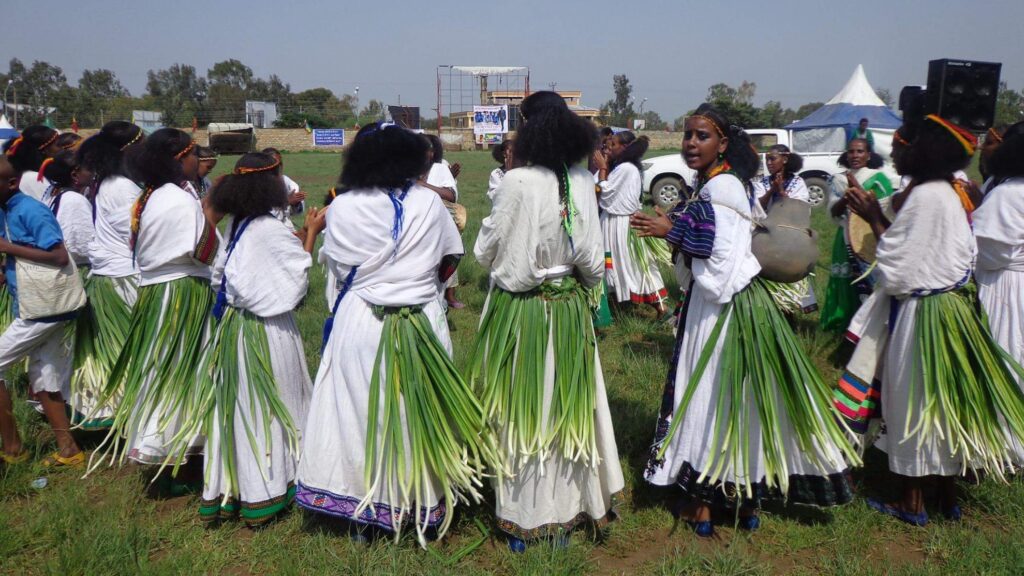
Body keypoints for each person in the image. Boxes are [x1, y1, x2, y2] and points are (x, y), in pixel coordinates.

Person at [631, 105, 857, 537]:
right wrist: (675, 224)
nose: (691, 143)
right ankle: (742, 499)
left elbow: (721, 256)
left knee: (712, 396)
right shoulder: (717, 184)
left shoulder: (724, 187)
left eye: (701, 136)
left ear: (722, 144)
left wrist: (670, 232)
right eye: (687, 135)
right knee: (736, 398)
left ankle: (703, 505)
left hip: (721, 309)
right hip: (721, 303)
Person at [296, 122, 497, 547]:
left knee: (359, 413)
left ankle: (363, 514)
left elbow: (337, 268)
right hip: (422, 318)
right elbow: (450, 258)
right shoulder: (428, 202)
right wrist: (417, 283)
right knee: (415, 412)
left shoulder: (343, 206)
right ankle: (420, 505)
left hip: (361, 324)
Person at [845, 115, 1024, 526]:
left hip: (923, 312)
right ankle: (947, 497)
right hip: (952, 311)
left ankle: (912, 503)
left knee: (913, 399)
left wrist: (872, 216)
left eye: (904, 147)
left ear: (924, 151)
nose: (896, 154)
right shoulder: (950, 192)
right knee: (946, 402)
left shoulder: (927, 195)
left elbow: (899, 267)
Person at [473, 91, 624, 551]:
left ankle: (523, 518)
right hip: (569, 312)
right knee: (567, 407)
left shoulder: (516, 183)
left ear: (528, 128)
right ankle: (568, 512)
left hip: (521, 314)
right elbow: (593, 264)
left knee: (523, 412)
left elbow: (487, 253)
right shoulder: (581, 179)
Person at [176, 152, 313, 527]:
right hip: (268, 331)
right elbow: (295, 283)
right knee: (275, 406)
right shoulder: (268, 228)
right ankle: (267, 491)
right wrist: (311, 235)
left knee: (242, 408)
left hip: (234, 329)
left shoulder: (237, 224)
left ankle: (241, 489)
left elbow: (220, 275)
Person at [90, 128, 217, 480]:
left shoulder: (149, 196)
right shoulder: (178, 199)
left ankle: (159, 445)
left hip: (155, 292)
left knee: (159, 366)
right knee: (184, 367)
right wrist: (212, 216)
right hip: (182, 292)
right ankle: (175, 447)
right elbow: (203, 252)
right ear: (180, 158)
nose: (197, 160)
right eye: (193, 154)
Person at [0, 151, 85, 467]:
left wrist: (8, 249)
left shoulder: (30, 210)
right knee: (46, 375)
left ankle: (13, 449)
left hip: (45, 309)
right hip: (37, 306)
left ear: (11, 183)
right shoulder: (6, 209)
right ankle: (69, 450)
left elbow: (59, 256)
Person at [73, 122, 146, 430]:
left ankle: (119, 413)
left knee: (115, 349)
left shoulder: (108, 182)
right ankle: (131, 415)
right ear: (129, 149)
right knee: (129, 348)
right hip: (123, 278)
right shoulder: (122, 187)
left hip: (110, 275)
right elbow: (136, 233)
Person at [38, 152, 107, 428]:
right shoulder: (75, 200)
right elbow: (81, 244)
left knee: (64, 346)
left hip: (61, 276)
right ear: (76, 174)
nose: (93, 173)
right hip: (76, 274)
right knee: (79, 346)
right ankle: (79, 407)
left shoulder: (56, 195)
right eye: (89, 169)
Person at [972, 120, 1024, 466]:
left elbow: (988, 252)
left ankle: (1004, 446)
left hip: (1005, 286)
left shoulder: (1008, 194)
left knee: (1004, 357)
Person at [592, 131, 669, 314]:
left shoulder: (626, 168)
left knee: (632, 265)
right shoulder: (621, 167)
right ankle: (617, 304)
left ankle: (661, 307)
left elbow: (606, 193)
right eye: (607, 145)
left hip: (621, 225)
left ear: (625, 147)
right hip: (613, 223)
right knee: (617, 264)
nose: (608, 149)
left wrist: (602, 168)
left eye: (613, 145)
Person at [820, 137, 892, 332]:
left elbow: (882, 210)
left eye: (860, 151)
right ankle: (843, 323)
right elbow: (833, 212)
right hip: (845, 236)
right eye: (851, 151)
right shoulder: (838, 179)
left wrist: (856, 188)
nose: (855, 155)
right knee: (845, 279)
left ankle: (868, 327)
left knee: (868, 279)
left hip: (869, 237)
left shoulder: (878, 178)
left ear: (868, 155)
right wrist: (846, 196)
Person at [752, 144, 816, 315]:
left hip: (791, 239)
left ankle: (790, 311)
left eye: (772, 159)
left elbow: (797, 209)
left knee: (790, 274)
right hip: (767, 239)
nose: (769, 163)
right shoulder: (762, 183)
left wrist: (780, 191)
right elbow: (757, 208)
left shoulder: (798, 183)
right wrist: (772, 190)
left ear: (785, 159)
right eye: (767, 160)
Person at [419, 134, 463, 309]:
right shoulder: (407, 168)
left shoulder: (440, 168)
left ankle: (444, 302)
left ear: (432, 152)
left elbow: (451, 195)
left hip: (438, 227)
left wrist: (423, 185)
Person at [5, 125, 61, 201]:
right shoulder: (32, 178)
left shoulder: (37, 175)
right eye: (58, 145)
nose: (62, 148)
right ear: (44, 150)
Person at [262, 148, 305, 218]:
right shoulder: (256, 184)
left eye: (279, 164)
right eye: (272, 165)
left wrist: (296, 203)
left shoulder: (286, 182)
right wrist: (287, 201)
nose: (277, 168)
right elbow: (263, 214)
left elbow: (297, 212)